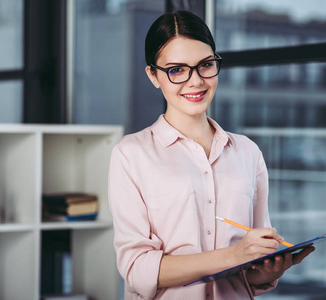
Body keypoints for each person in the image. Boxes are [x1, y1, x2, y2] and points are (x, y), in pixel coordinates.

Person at [108, 10, 314, 300]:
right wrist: (234, 255)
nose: (195, 81)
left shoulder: (247, 152)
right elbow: (137, 269)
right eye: (176, 70)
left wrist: (267, 271)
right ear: (153, 75)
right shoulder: (130, 155)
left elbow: (250, 270)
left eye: (205, 65)